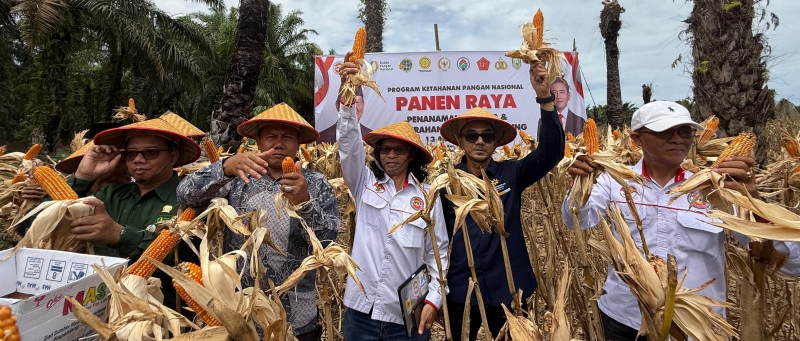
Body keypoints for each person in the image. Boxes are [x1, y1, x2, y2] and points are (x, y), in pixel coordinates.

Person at [563, 100, 800, 341]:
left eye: (685, 132)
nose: (678, 139)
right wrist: (579, 183)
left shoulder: (719, 188)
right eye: (666, 131)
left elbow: (790, 261)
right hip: (626, 317)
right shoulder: (613, 182)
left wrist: (754, 203)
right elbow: (577, 220)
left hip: (699, 322)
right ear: (636, 139)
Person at [177, 103, 340, 341]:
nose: (278, 143)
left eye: (287, 137)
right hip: (241, 312)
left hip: (297, 314)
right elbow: (185, 195)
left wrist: (304, 204)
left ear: (298, 144)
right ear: (258, 141)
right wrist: (224, 168)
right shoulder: (236, 177)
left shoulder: (316, 183)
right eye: (271, 136)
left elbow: (327, 241)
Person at [439, 61, 565, 341]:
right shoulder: (447, 183)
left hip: (509, 287)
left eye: (487, 136)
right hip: (461, 287)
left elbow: (552, 153)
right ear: (461, 141)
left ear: (496, 142)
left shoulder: (513, 172)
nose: (479, 141)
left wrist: (545, 97)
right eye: (472, 135)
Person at [337, 51, 450, 341]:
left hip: (406, 317)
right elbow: (349, 145)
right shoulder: (364, 183)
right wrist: (348, 100)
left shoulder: (428, 197)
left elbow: (438, 255)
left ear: (411, 154)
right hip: (360, 312)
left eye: (398, 150)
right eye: (385, 149)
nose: (390, 155)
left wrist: (434, 301)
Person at [54, 118, 201, 310]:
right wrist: (82, 177)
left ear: (173, 156)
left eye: (150, 152)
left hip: (160, 318)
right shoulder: (109, 195)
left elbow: (188, 256)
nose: (138, 159)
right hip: (97, 309)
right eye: (130, 154)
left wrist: (120, 235)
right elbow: (37, 226)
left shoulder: (191, 198)